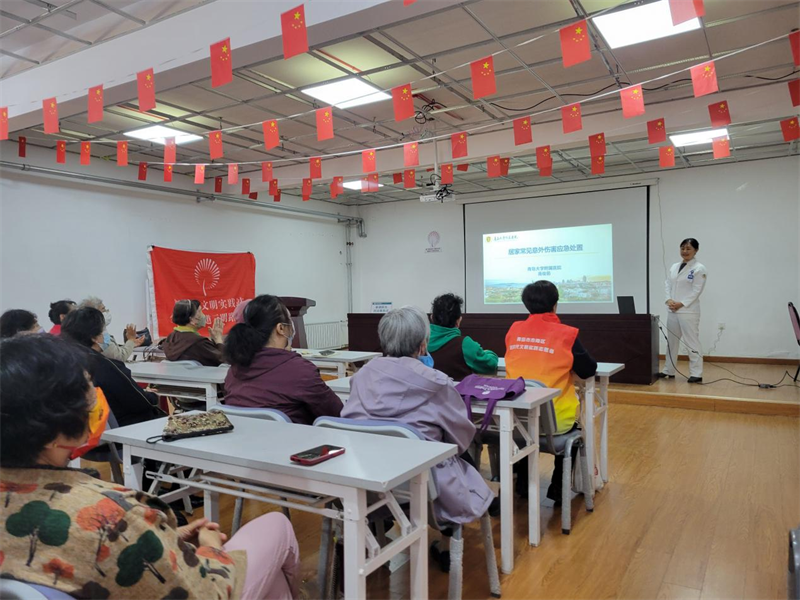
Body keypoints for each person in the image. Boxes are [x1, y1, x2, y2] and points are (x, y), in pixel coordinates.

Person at [0, 334, 300, 600]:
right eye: (88, 391)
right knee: (277, 526)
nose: (96, 400)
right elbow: (206, 593)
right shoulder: (111, 515)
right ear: (53, 429)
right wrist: (211, 549)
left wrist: (162, 536)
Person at [342, 306, 494, 528]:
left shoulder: (361, 376)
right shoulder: (438, 383)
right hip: (427, 489)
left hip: (369, 483)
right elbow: (461, 438)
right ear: (423, 345)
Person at [505, 281, 597, 503]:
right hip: (556, 423)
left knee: (529, 429)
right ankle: (558, 490)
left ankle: (523, 486)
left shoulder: (514, 330)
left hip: (516, 420)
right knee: (576, 427)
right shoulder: (566, 334)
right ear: (555, 305)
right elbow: (588, 370)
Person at [222, 294, 342, 425]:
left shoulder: (234, 370)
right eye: (289, 320)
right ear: (280, 328)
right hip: (293, 438)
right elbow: (336, 414)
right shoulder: (300, 370)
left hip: (244, 437)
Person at [62, 307, 162, 427]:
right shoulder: (105, 366)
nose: (106, 335)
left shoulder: (65, 363)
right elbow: (140, 402)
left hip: (88, 428)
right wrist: (152, 396)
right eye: (103, 330)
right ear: (94, 337)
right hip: (129, 426)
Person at [661, 238, 707, 383]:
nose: (685, 251)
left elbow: (696, 290)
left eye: (688, 249)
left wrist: (681, 303)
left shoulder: (699, 268)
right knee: (672, 342)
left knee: (691, 342)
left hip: (688, 311)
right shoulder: (674, 266)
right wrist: (669, 299)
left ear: (696, 250)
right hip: (673, 310)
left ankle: (696, 373)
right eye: (682, 248)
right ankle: (669, 370)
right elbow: (668, 284)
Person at [428, 293, 498, 380]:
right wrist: (490, 353)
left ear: (431, 317)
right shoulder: (464, 344)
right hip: (457, 389)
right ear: (458, 321)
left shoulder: (420, 341)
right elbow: (490, 365)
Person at [161, 299, 225, 366]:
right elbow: (224, 361)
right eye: (200, 311)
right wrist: (218, 340)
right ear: (191, 319)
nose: (203, 315)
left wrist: (214, 342)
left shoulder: (170, 338)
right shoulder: (199, 343)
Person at [80, 296, 144, 362]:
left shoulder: (86, 331)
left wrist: (131, 344)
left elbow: (113, 351)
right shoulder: (97, 335)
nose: (107, 311)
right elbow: (120, 356)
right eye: (103, 309)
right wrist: (131, 339)